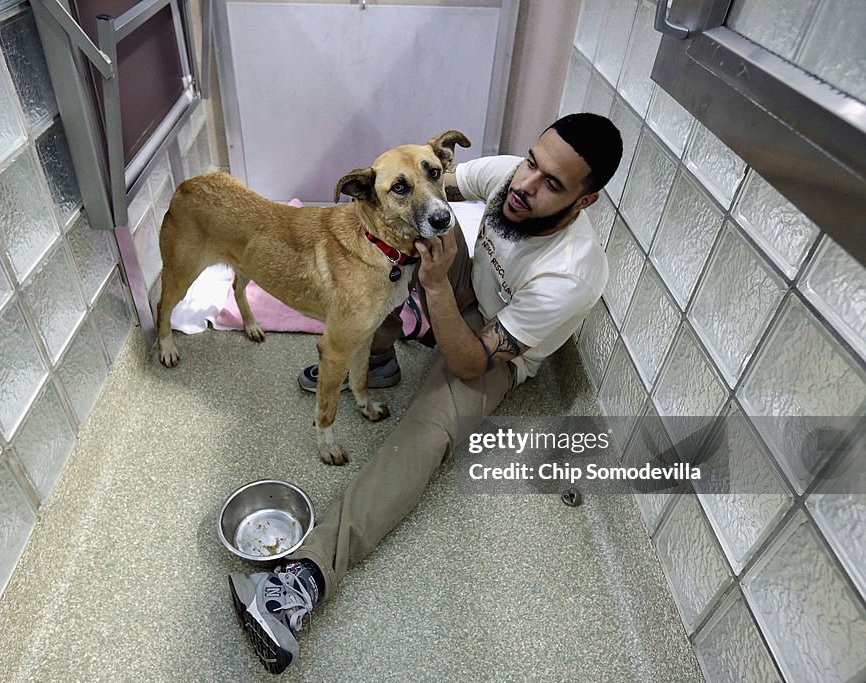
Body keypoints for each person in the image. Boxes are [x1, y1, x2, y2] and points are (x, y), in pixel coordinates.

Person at [227, 113, 623, 674]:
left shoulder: (572, 275)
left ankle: (302, 579)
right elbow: (417, 179)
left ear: (585, 201)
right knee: (391, 251)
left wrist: (433, 285)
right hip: (457, 290)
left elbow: (467, 359)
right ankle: (376, 358)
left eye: (553, 184)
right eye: (532, 162)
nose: (526, 185)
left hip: (493, 349)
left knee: (422, 436)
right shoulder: (510, 178)